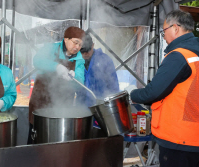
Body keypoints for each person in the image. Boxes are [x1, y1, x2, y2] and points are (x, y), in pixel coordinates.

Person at [128, 10, 199, 167]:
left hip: (180, 138)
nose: (163, 36)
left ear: (175, 28)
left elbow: (153, 92)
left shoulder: (180, 55)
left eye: (164, 30)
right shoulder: (195, 52)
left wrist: (132, 93)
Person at [28, 26, 85, 144]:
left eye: (80, 45)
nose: (77, 47)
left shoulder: (79, 60)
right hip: (41, 102)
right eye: (75, 43)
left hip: (62, 107)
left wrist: (74, 79)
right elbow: (37, 60)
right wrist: (56, 67)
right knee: (36, 138)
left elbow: (80, 83)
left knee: (58, 143)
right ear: (65, 39)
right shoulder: (50, 48)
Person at [80, 33, 119, 107]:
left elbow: (114, 86)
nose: (85, 53)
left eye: (88, 50)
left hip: (102, 106)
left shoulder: (105, 60)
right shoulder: (75, 62)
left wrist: (114, 105)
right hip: (82, 107)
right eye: (82, 51)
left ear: (93, 45)